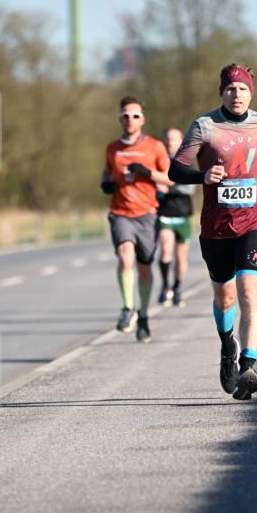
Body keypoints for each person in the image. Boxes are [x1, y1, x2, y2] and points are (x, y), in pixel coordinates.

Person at [168, 63, 257, 400]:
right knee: (225, 296)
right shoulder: (204, 126)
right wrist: (201, 177)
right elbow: (176, 170)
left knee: (250, 292)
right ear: (222, 92)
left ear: (251, 93)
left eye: (243, 89)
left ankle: (248, 366)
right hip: (217, 227)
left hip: (255, 220)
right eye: (231, 89)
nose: (237, 94)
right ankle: (227, 344)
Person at [101, 96, 172, 342]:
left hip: (147, 214)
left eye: (135, 115)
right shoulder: (113, 148)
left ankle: (143, 314)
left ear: (143, 119)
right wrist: (106, 182)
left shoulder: (155, 146)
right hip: (121, 213)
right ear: (120, 118)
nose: (129, 119)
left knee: (144, 268)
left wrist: (147, 173)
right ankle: (127, 307)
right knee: (125, 255)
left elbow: (171, 178)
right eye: (125, 115)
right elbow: (108, 170)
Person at [157, 126, 196, 307]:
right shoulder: (159, 161)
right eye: (167, 138)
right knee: (165, 250)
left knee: (181, 259)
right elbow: (153, 185)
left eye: (173, 139)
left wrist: (168, 183)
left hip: (183, 214)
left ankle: (178, 287)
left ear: (181, 142)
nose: (169, 142)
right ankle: (165, 286)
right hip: (164, 213)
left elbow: (190, 188)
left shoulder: (186, 162)